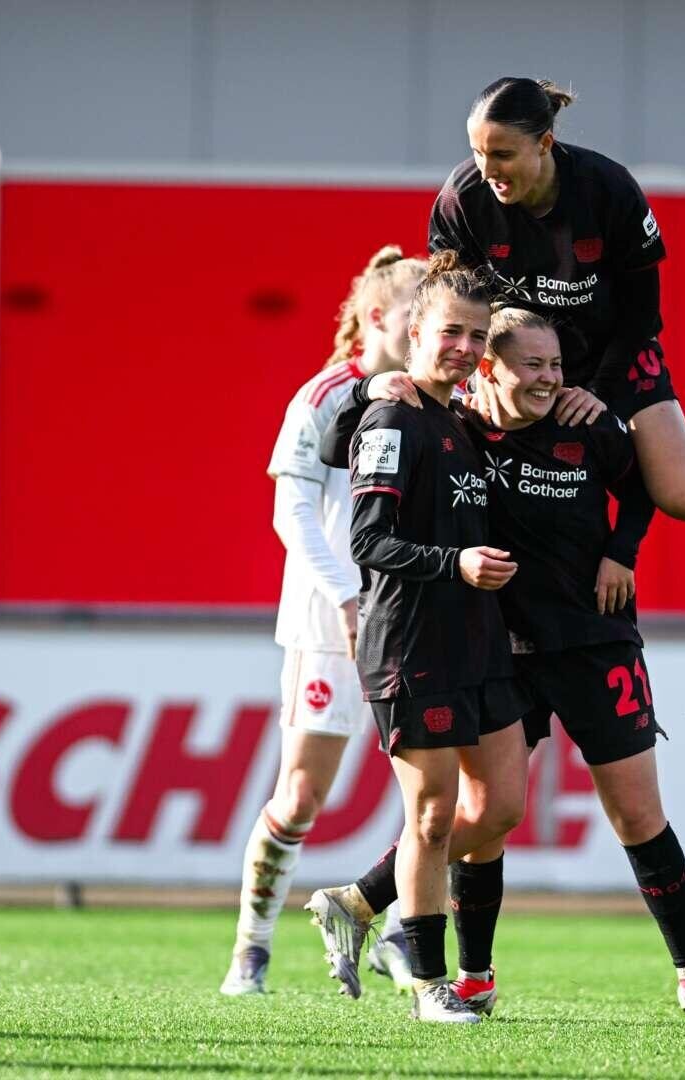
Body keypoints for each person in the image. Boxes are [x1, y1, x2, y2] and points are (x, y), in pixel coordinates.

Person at [317, 308, 685, 1025]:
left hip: (593, 641)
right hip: (498, 646)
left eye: (556, 366)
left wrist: (622, 552)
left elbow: (645, 486)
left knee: (635, 813)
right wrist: (367, 389)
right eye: (531, 365)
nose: (549, 379)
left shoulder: (588, 422)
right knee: (484, 816)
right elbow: (345, 460)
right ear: (490, 368)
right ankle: (467, 977)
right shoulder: (456, 426)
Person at [428, 76, 685, 574]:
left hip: (613, 350)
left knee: (683, 495)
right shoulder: (462, 198)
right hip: (517, 361)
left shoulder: (608, 189)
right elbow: (453, 304)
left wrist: (598, 388)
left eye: (503, 154)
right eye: (477, 152)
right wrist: (461, 380)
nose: (488, 169)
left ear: (545, 144)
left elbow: (643, 312)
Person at [300, 252, 532, 1025]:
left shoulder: (459, 418)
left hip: (479, 640)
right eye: (449, 332)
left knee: (499, 808)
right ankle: (433, 985)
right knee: (432, 817)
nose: (463, 347)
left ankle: (359, 900)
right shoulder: (395, 416)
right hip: (411, 645)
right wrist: (455, 561)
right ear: (415, 333)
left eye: (475, 336)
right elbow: (368, 540)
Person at [220, 246, 427, 997]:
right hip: (328, 627)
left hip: (412, 620)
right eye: (417, 315)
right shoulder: (325, 395)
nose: (430, 330)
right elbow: (292, 510)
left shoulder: (433, 397)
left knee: (435, 797)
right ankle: (252, 948)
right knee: (302, 794)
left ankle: (401, 933)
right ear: (377, 317)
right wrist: (345, 593)